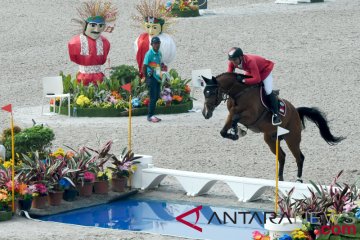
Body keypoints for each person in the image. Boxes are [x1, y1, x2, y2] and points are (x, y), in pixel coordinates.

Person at [227, 47, 282, 125]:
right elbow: (229, 75)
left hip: (265, 70)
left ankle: (276, 115)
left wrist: (242, 80)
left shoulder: (250, 61)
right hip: (252, 71)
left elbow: (257, 79)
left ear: (240, 57)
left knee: (268, 90)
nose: (233, 62)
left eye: (235, 60)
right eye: (231, 60)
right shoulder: (233, 62)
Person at [68, 1, 117, 85]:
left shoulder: (105, 43)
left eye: (100, 26)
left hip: (99, 78)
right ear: (85, 25)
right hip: (82, 78)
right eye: (93, 25)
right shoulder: (74, 43)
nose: (97, 30)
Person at [134, 0, 176, 78]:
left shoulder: (166, 40)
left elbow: (169, 57)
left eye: (154, 27)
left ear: (162, 27)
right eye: (148, 27)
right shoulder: (140, 40)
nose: (150, 31)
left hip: (161, 69)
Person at [143, 36, 162, 123]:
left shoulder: (159, 53)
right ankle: (150, 116)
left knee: (157, 96)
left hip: (157, 77)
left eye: (158, 43)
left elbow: (159, 65)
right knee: (153, 97)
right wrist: (146, 78)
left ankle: (152, 114)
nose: (156, 45)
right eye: (155, 43)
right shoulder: (149, 54)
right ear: (152, 44)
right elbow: (144, 66)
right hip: (151, 77)